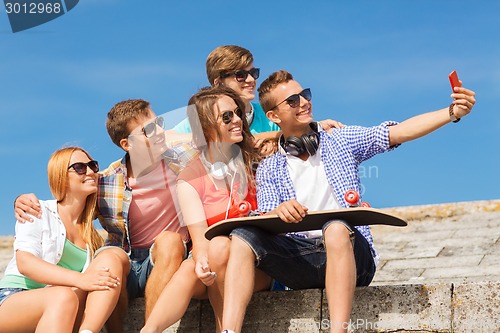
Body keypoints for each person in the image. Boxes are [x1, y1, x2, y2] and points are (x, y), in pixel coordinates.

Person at [219, 70, 476, 333]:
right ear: (273, 116)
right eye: (292, 101)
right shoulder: (270, 168)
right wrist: (278, 211)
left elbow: (399, 132)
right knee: (242, 235)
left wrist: (451, 112)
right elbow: (266, 218)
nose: (304, 102)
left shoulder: (341, 141)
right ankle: (229, 331)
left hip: (352, 257)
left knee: (336, 226)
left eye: (304, 95)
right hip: (301, 259)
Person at [13, 100, 198, 332]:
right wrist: (21, 201)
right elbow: (69, 204)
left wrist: (259, 138)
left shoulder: (184, 159)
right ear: (126, 144)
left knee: (170, 240)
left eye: (159, 123)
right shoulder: (107, 182)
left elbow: (228, 142)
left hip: (164, 258)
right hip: (125, 264)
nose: (160, 132)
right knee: (109, 255)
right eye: (148, 130)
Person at [141, 86, 273, 333]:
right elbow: (200, 238)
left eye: (237, 113)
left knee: (221, 246)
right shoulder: (189, 178)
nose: (237, 120)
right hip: (213, 262)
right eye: (226, 116)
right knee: (197, 262)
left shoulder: (258, 164)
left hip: (257, 265)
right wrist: (201, 261)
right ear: (205, 127)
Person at [0, 147, 127, 333]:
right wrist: (81, 279)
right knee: (63, 295)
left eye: (93, 166)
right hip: (14, 298)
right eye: (80, 167)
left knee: (104, 265)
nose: (91, 171)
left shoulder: (93, 238)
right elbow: (25, 263)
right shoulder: (37, 210)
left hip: (64, 307)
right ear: (60, 175)